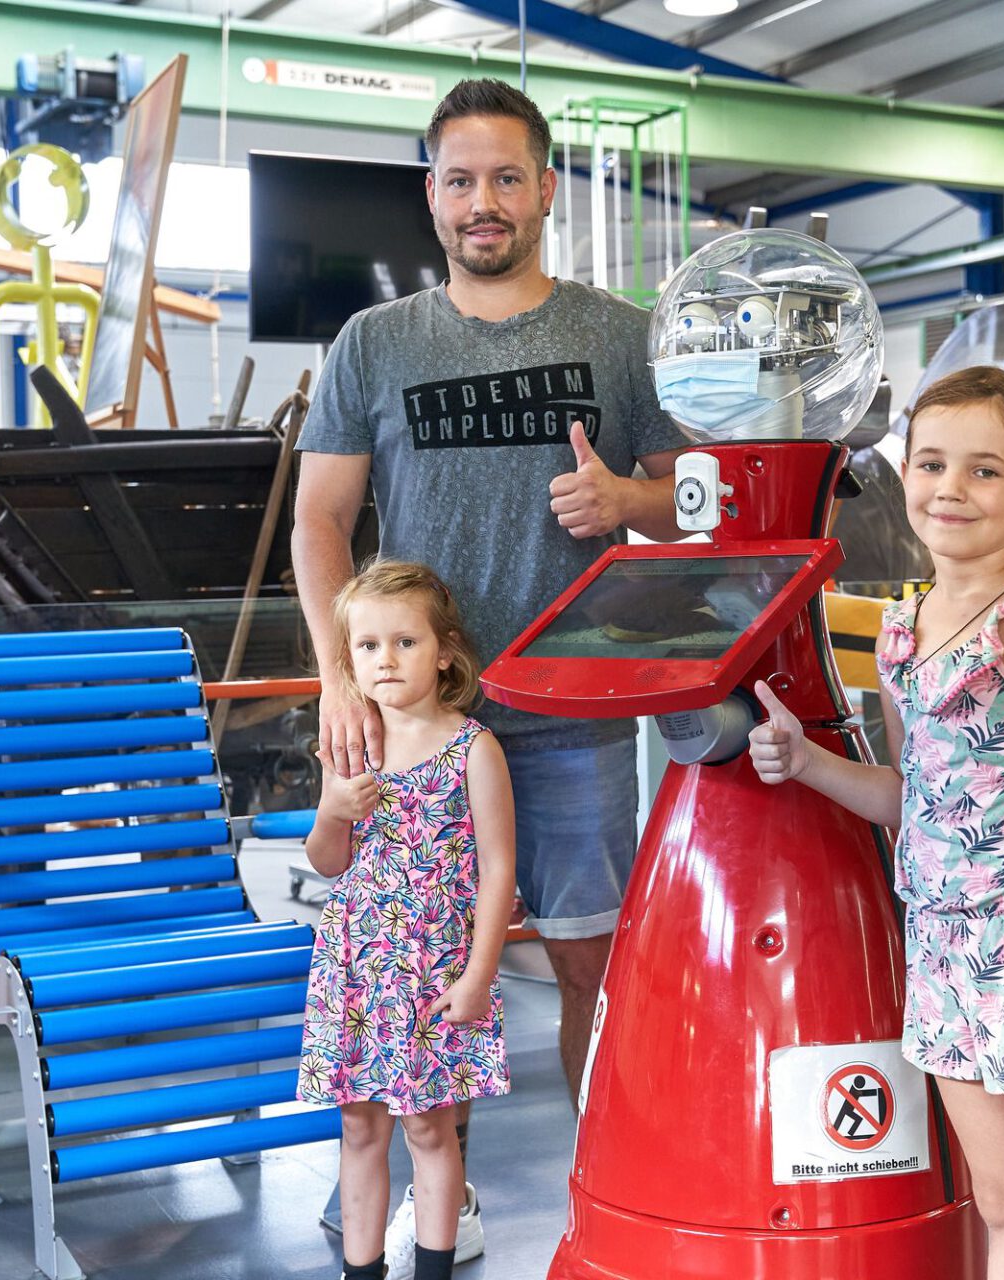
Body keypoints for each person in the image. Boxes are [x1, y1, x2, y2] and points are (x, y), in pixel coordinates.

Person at [290, 76, 689, 1274]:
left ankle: (606, 1183)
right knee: (413, 962)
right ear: (431, 195)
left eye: (506, 177)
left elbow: (695, 504)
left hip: (572, 714)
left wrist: (629, 500)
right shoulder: (375, 342)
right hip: (413, 729)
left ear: (546, 190)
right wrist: (339, 680)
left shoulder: (620, 336)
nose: (483, 201)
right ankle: (429, 1192)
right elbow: (322, 522)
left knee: (584, 957)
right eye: (460, 179)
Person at [748, 367, 1004, 1280]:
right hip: (940, 951)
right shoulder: (902, 631)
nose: (950, 490)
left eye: (985, 471)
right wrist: (809, 765)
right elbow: (917, 798)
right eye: (930, 465)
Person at [298, 560, 516, 1280]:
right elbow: (328, 859)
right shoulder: (351, 751)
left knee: (429, 1127)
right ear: (349, 660)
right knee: (359, 1126)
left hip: (434, 970)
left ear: (445, 651)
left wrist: (480, 976)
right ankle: (359, 1272)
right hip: (358, 970)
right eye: (367, 647)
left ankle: (432, 1270)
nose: (385, 660)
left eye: (405, 642)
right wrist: (334, 810)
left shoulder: (472, 749)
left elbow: (498, 873)